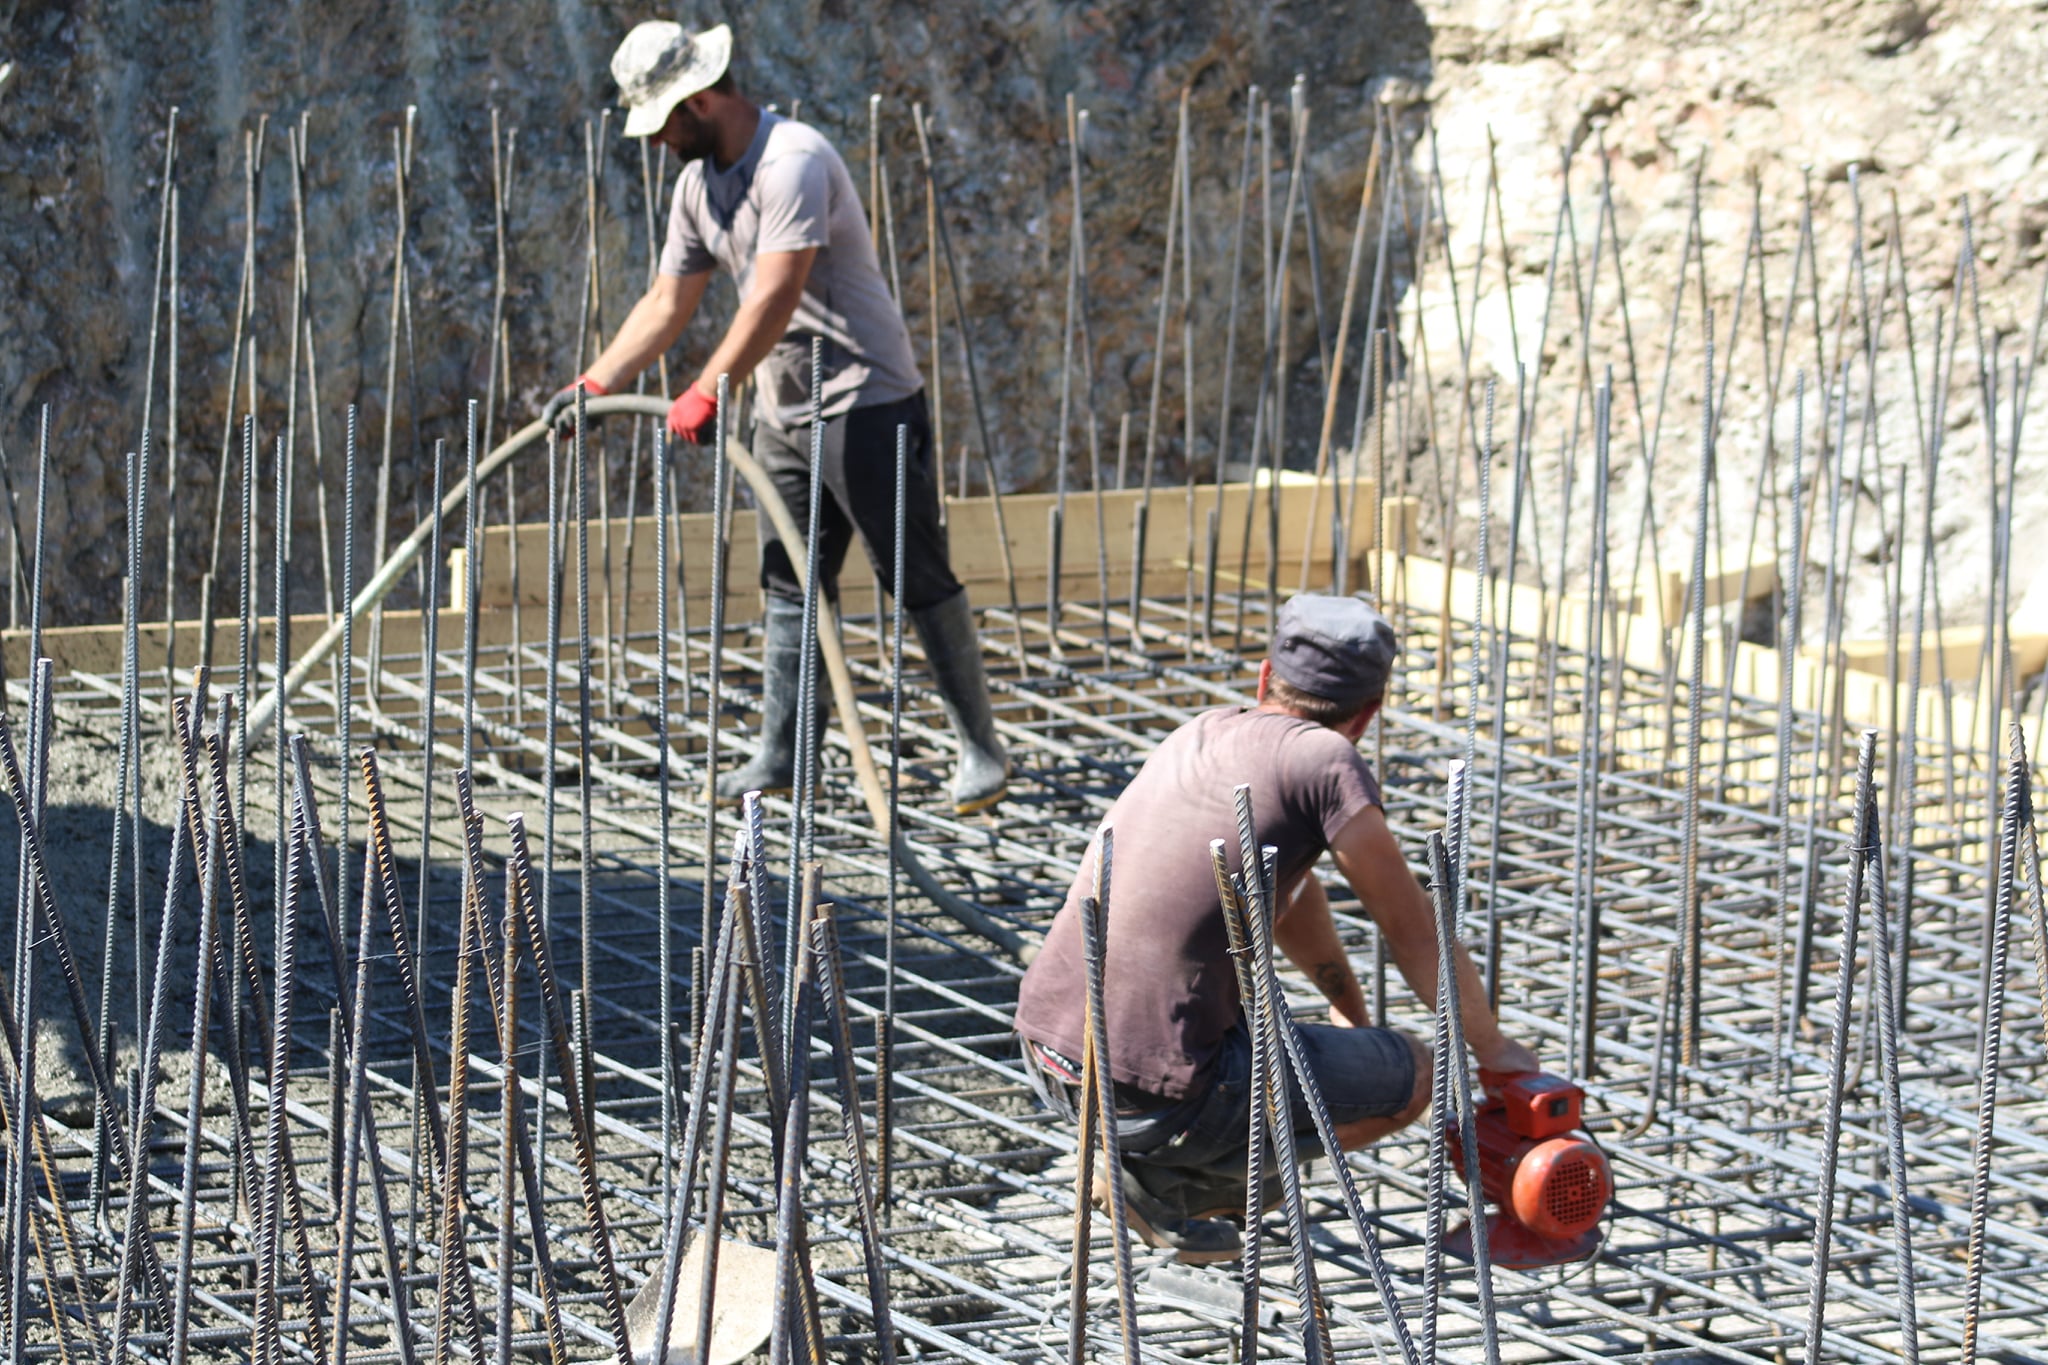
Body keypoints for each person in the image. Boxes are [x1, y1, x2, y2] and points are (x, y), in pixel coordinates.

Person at [541, 20, 1007, 814]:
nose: (658, 145)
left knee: (912, 571)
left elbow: (775, 294)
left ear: (698, 100)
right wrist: (597, 381)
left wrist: (707, 386)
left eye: (662, 125)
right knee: (790, 582)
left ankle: (982, 749)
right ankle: (786, 754)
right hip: (784, 408)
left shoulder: (793, 160)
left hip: (865, 399)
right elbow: (667, 301)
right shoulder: (697, 188)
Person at [1013, 593, 1539, 1263]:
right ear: (1369, 713)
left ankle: (1185, 1167)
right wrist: (1493, 1047)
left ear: (1265, 678)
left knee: (1271, 1070)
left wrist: (1350, 1007)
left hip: (1050, 1053)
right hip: (1153, 1099)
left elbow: (1291, 890)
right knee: (1418, 1075)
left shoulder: (1202, 730)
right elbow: (1414, 932)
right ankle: (1163, 1183)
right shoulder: (1327, 762)